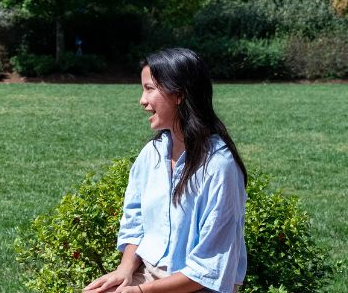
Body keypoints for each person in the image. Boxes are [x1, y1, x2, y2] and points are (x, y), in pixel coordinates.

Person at [84, 48, 248, 293]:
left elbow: (209, 269)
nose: (142, 100)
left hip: (197, 286)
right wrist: (125, 270)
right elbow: (135, 218)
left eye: (149, 89)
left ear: (179, 95)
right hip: (150, 274)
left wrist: (140, 292)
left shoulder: (219, 166)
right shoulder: (152, 154)